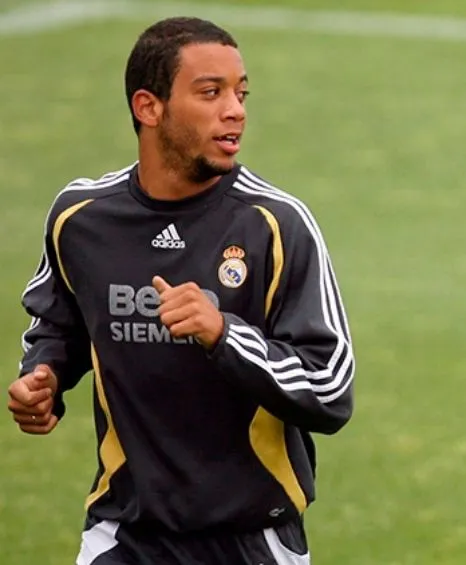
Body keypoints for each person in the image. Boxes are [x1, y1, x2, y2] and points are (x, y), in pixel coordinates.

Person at [7, 16, 355, 565]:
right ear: (149, 107)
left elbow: (331, 389)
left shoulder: (276, 226)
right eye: (211, 93)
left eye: (241, 93)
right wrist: (44, 376)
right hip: (122, 535)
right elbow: (59, 322)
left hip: (251, 543)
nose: (235, 109)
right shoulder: (81, 219)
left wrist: (224, 334)